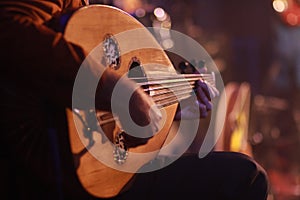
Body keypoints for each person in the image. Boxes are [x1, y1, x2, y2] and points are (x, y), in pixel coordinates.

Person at [0, 0, 269, 200]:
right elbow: (9, 30)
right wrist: (110, 87)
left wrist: (172, 104)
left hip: (96, 175)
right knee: (241, 178)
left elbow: (114, 120)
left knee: (242, 174)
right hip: (42, 171)